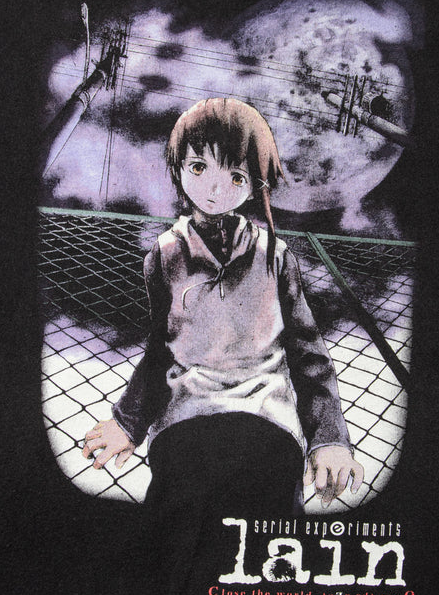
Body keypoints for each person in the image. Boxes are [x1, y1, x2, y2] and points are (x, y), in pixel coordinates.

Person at [82, 97, 363, 513]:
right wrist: (127, 422)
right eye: (199, 168)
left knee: (273, 530)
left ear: (255, 184)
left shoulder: (275, 255)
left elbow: (309, 354)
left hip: (269, 421)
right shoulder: (164, 255)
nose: (216, 189)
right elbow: (161, 349)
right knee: (174, 526)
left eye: (236, 176)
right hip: (185, 421)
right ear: (178, 167)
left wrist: (329, 439)